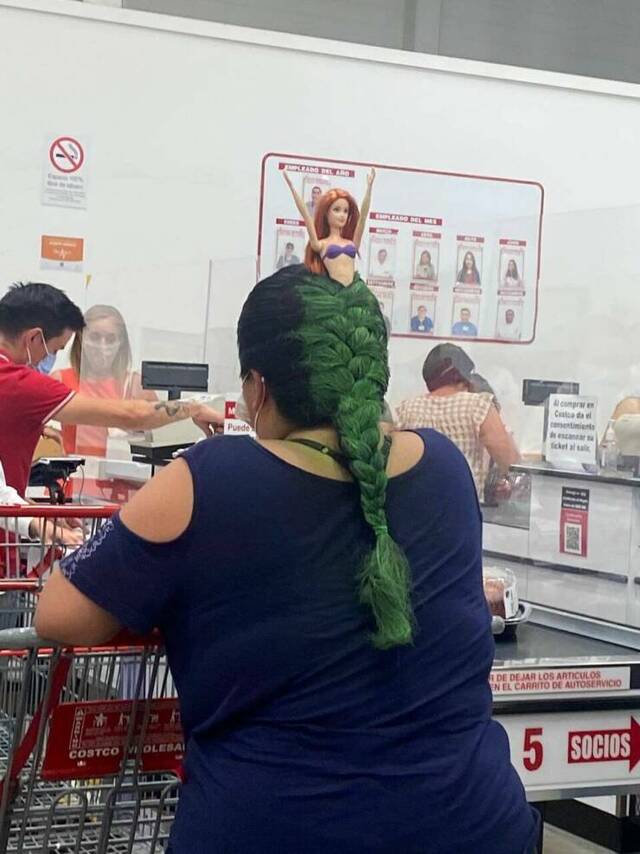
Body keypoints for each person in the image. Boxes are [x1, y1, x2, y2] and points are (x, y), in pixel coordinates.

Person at [35, 266, 538, 854]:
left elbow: (60, 615)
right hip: (475, 824)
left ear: (257, 388)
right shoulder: (445, 468)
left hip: (275, 828)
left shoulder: (212, 476)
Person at [0, 282, 223, 501]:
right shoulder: (21, 383)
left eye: (111, 339)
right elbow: (132, 415)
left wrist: (26, 509)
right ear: (34, 338)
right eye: (55, 350)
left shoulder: (132, 383)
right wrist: (194, 408)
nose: (102, 347)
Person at [395, 343, 519, 501]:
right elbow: (510, 461)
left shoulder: (406, 409)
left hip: (417, 504)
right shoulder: (478, 406)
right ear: (462, 374)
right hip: (462, 505)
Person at [52, 304, 157, 458]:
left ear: (121, 342)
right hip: (74, 470)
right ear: (81, 338)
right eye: (95, 337)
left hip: (121, 471)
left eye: (110, 338)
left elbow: (158, 438)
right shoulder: (60, 380)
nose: (102, 345)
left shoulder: (135, 385)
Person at [283, 168, 375, 286]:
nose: (342, 215)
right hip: (331, 292)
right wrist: (292, 188)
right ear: (326, 213)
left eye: (346, 211)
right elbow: (306, 216)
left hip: (354, 290)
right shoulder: (321, 244)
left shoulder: (352, 243)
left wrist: (369, 188)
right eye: (337, 210)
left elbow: (362, 218)